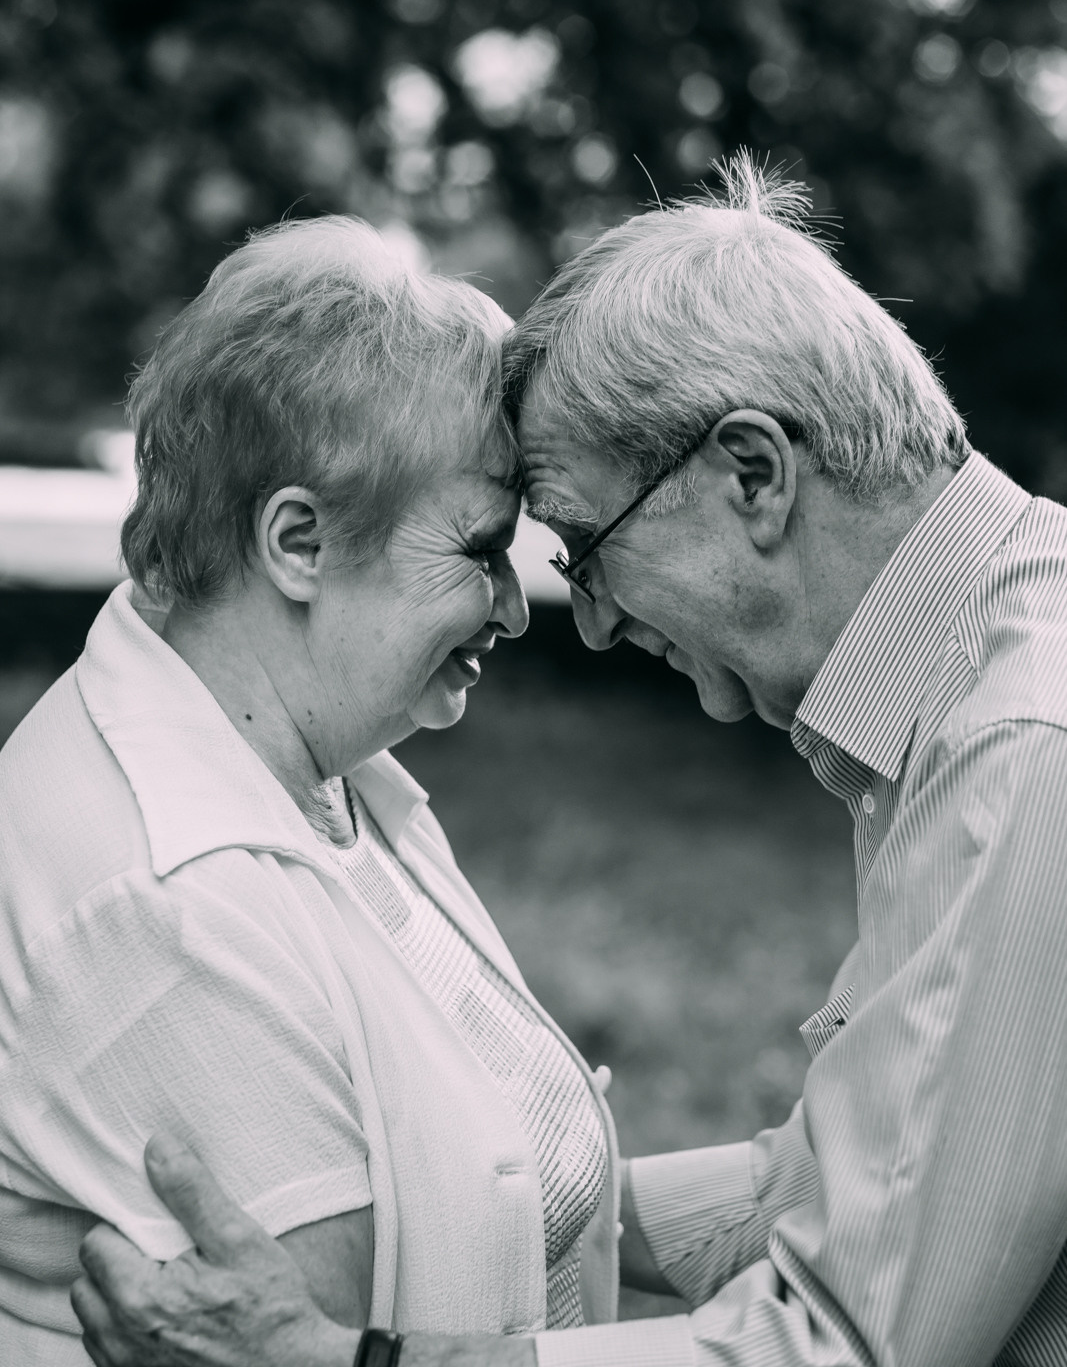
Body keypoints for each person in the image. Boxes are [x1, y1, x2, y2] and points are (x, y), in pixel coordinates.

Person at [73, 156, 1067, 1367]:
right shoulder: (986, 660)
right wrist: (515, 1200)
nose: (584, 622)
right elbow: (846, 1180)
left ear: (751, 473)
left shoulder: (1019, 753)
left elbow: (840, 1345)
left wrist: (332, 1361)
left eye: (582, 548)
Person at [0, 216, 624, 1365]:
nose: (513, 605)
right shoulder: (175, 906)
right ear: (298, 540)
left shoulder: (316, 775)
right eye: (480, 548)